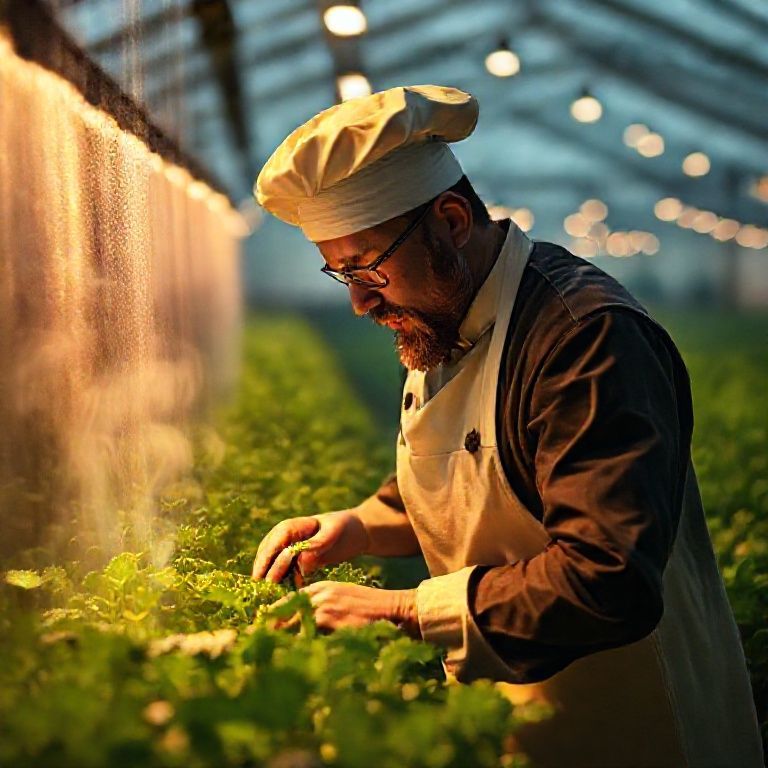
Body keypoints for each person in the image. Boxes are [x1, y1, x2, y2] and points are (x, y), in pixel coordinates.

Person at [252, 85, 763, 766]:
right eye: (339, 273)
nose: (357, 303)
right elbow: (472, 473)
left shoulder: (584, 340)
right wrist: (360, 524)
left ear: (452, 221)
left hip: (632, 724)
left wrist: (403, 612)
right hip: (521, 719)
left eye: (366, 268)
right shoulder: (444, 310)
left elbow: (608, 580)